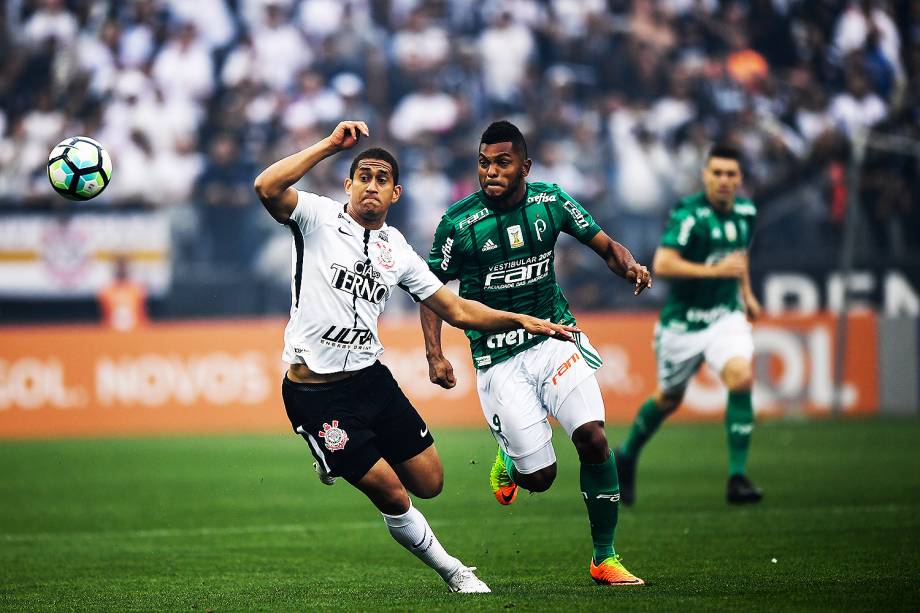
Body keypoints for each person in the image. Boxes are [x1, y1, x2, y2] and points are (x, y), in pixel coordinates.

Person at [253, 120, 580, 594]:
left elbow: (457, 309)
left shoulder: (398, 250)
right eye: (363, 176)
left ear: (396, 193)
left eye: (381, 179)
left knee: (431, 482)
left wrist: (522, 319)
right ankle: (455, 571)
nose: (371, 186)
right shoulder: (316, 217)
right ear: (348, 185)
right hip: (316, 393)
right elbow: (266, 185)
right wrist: (329, 145)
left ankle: (341, 453)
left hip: (371, 380)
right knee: (392, 490)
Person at [419, 121, 652, 586]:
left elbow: (605, 245)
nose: (491, 172)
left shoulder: (552, 201)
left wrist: (629, 266)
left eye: (502, 163)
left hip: (554, 337)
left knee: (592, 437)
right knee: (541, 477)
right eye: (484, 163)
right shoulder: (458, 223)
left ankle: (603, 557)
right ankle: (510, 460)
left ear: (525, 166)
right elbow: (432, 290)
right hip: (498, 358)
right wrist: (435, 355)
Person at [613, 143, 764, 506]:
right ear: (705, 177)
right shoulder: (689, 214)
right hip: (682, 325)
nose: (724, 180)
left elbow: (738, 258)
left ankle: (737, 478)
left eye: (731, 174)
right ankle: (626, 454)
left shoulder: (746, 211)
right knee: (668, 399)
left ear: (739, 178)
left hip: (725, 316)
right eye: (717, 173)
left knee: (741, 376)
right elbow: (663, 264)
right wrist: (714, 271)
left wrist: (748, 295)